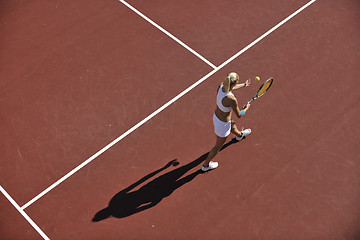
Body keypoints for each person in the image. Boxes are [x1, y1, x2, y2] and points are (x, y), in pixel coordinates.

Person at [202, 72, 252, 172]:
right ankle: (205, 165)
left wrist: (243, 84)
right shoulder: (231, 99)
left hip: (217, 117)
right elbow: (239, 115)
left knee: (232, 125)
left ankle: (239, 135)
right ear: (233, 84)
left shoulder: (221, 86)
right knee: (217, 146)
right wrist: (246, 108)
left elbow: (231, 88)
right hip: (222, 125)